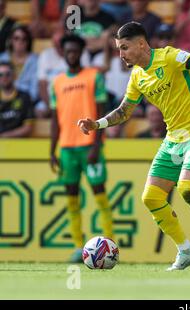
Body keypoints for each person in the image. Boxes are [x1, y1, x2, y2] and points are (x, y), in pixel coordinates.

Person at [78, 22, 190, 271]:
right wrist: (97, 124)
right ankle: (186, 250)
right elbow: (125, 111)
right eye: (118, 49)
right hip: (174, 138)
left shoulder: (169, 57)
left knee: (188, 188)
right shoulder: (137, 76)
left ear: (141, 44)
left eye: (124, 47)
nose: (121, 54)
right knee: (151, 197)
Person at [50, 34, 114, 263]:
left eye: (75, 51)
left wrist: (97, 144)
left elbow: (100, 112)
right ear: (64, 52)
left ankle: (109, 244)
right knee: (71, 198)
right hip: (67, 149)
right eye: (68, 51)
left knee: (100, 195)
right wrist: (52, 150)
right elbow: (55, 119)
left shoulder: (94, 76)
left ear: (81, 52)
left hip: (89, 147)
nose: (71, 55)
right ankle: (79, 246)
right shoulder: (57, 82)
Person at [0, 25, 39, 105]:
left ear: (28, 42)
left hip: (27, 100)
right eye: (16, 38)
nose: (20, 42)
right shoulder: (2, 58)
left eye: (24, 39)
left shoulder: (35, 60)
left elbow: (34, 89)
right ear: (11, 40)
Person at [0, 62, 33, 138]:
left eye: (7, 74)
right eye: (0, 75)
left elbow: (28, 128)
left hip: (20, 143)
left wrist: (4, 136)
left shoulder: (25, 97)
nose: (4, 78)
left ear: (14, 76)